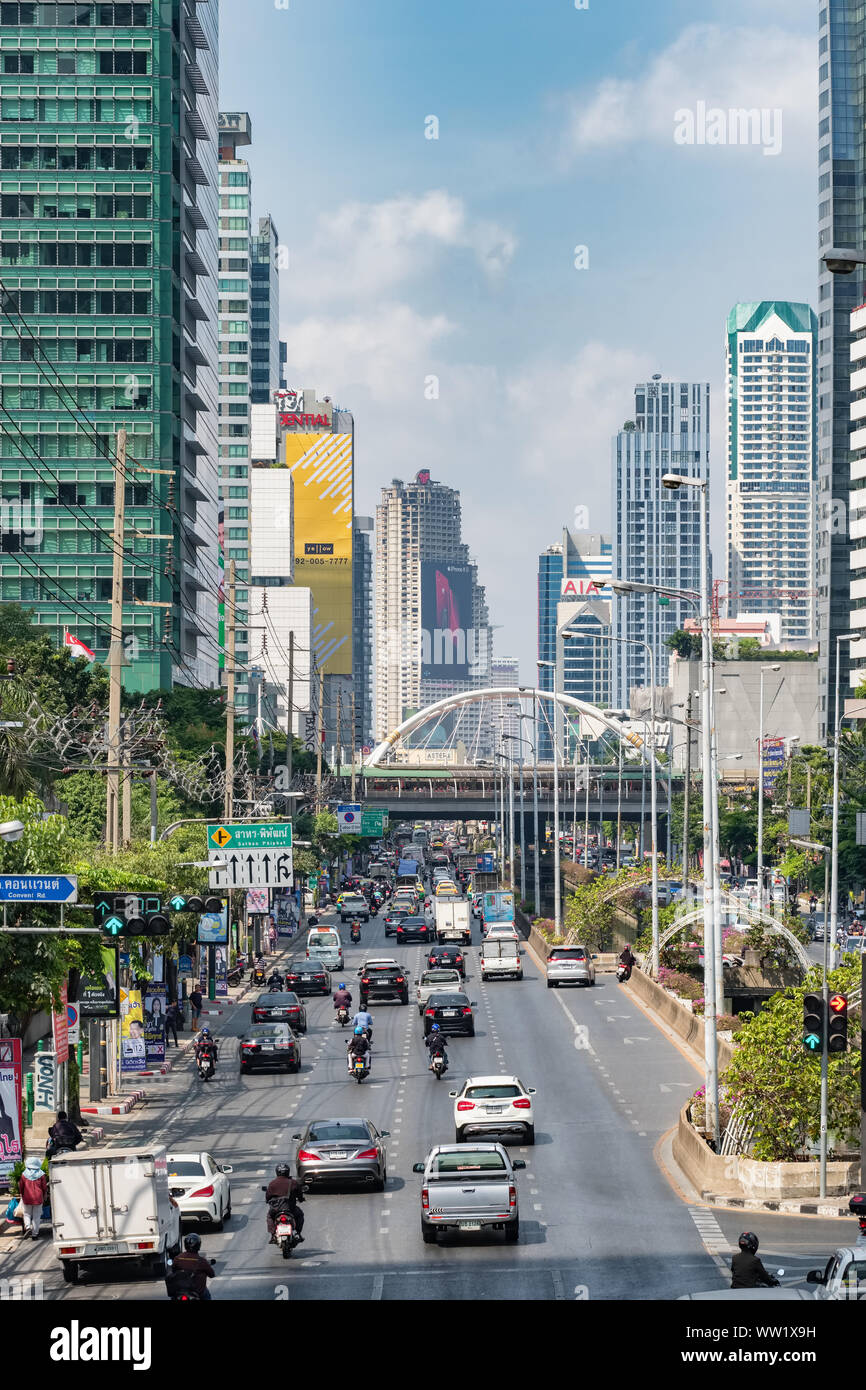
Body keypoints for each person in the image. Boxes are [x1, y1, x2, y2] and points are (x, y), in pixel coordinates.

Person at [265, 1162, 305, 1242]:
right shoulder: (293, 1182)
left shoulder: (272, 1183)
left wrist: (268, 1200)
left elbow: (268, 1197)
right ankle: (297, 1233)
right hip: (290, 1209)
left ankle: (273, 1235)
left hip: (275, 1209)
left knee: (269, 1216)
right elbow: (299, 1194)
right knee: (300, 1215)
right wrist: (301, 1199)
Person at [169, 1233, 216, 1300]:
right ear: (198, 1245)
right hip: (197, 1292)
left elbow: (173, 1270)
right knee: (207, 1295)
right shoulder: (202, 1261)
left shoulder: (177, 1258)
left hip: (181, 1291)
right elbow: (212, 1274)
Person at [17, 1156, 48, 1238]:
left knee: (27, 1214)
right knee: (36, 1216)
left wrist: (21, 1194)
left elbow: (21, 1186)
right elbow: (44, 1187)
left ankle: (27, 1227)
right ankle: (35, 1234)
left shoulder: (24, 1174)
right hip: (38, 1198)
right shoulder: (41, 1174)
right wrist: (45, 1195)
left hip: (27, 1198)